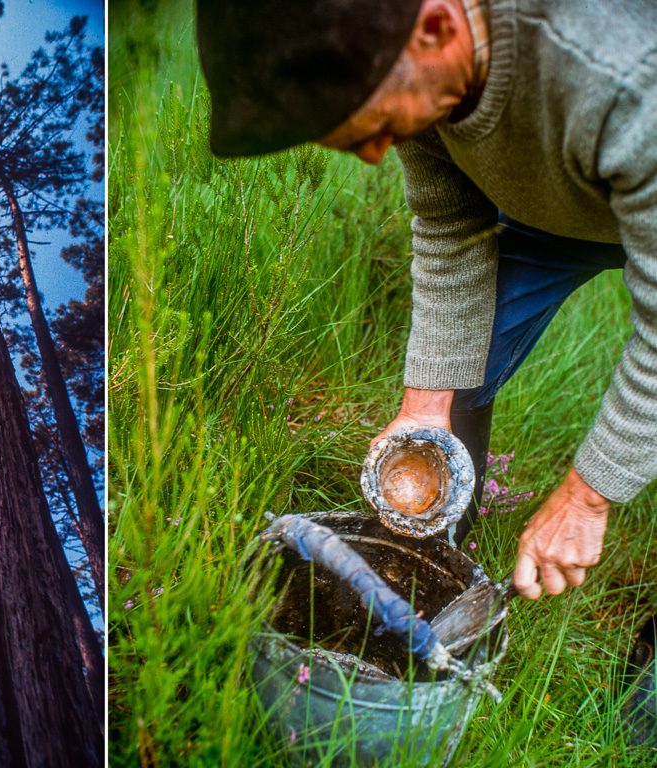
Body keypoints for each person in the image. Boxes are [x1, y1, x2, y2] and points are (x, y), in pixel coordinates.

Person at [194, 0, 657, 725]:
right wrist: (423, 407)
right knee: (455, 374)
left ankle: (643, 709)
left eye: (375, 129)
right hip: (552, 208)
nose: (377, 155)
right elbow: (449, 225)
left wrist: (590, 494)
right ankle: (434, 580)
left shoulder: (625, 76)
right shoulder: (410, 60)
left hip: (635, 167)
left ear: (438, 26)